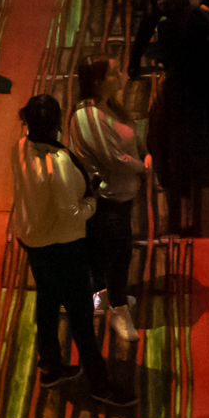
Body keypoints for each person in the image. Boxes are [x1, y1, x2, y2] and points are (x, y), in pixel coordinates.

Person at [11, 95, 134, 405]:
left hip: (35, 244)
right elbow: (72, 214)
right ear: (57, 124)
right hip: (64, 249)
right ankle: (99, 384)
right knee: (81, 318)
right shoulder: (60, 161)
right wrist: (93, 201)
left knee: (47, 304)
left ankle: (50, 367)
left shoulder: (20, 147)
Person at [66, 58, 147, 345]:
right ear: (98, 82)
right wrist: (144, 167)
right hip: (106, 197)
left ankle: (105, 293)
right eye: (114, 72)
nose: (122, 74)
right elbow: (112, 159)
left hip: (120, 193)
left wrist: (143, 154)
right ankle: (118, 311)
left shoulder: (109, 106)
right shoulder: (88, 115)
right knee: (119, 253)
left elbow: (129, 139)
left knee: (105, 248)